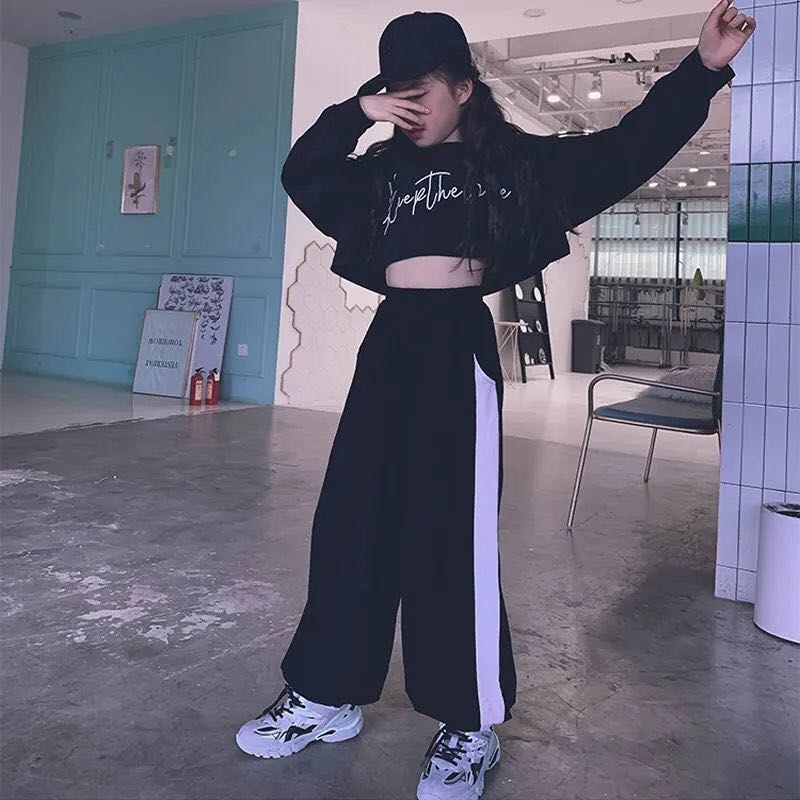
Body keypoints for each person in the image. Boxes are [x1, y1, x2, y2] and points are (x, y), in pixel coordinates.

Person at [235, 4, 753, 799]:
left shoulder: (513, 165)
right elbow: (302, 171)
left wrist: (703, 68)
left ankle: (468, 724)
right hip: (389, 343)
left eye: (421, 91)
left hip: (455, 348)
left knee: (450, 538)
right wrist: (357, 112)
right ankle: (326, 695)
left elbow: (629, 148)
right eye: (394, 92)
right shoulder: (377, 170)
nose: (408, 107)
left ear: (464, 88)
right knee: (351, 521)